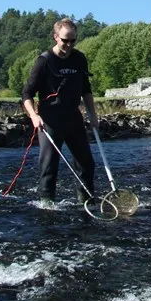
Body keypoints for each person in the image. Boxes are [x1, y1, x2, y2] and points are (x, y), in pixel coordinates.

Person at [21, 17, 100, 204]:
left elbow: (86, 89)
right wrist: (34, 116)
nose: (69, 45)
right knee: (49, 166)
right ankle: (47, 205)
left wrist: (93, 115)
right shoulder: (44, 61)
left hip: (73, 118)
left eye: (73, 40)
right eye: (65, 40)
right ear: (56, 37)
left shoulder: (79, 58)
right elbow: (26, 93)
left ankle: (87, 202)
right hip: (50, 121)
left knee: (87, 164)